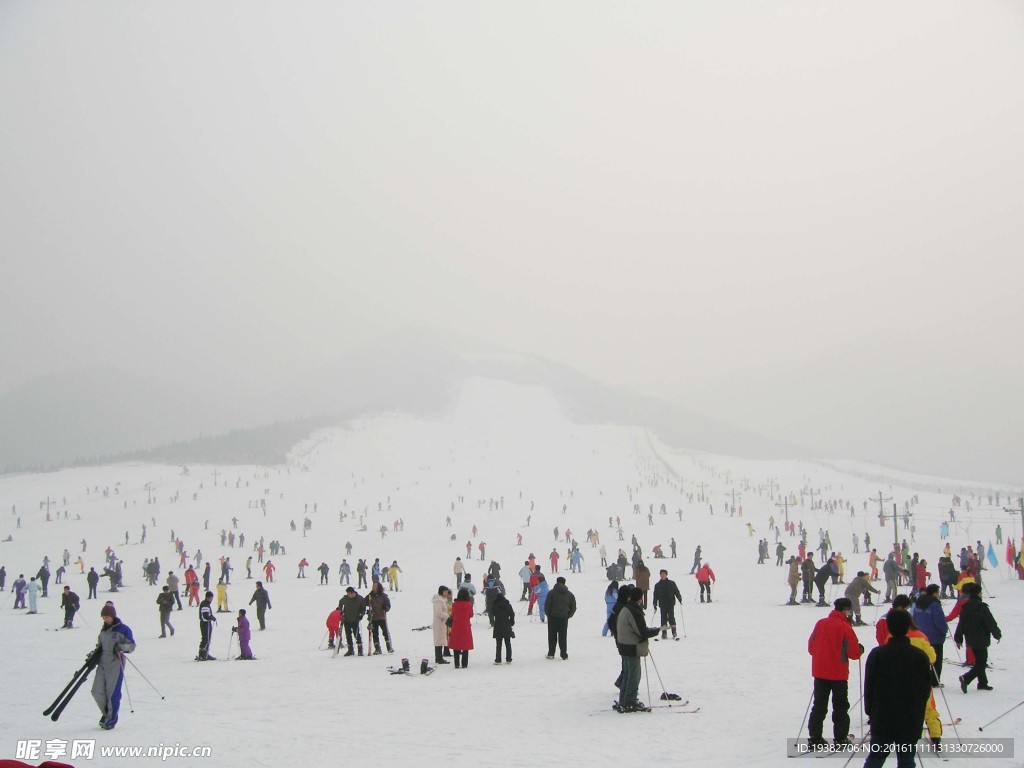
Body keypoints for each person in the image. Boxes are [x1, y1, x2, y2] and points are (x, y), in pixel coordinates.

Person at [862, 610, 932, 767]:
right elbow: (925, 689)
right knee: (906, 760)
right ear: (908, 627)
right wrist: (918, 711)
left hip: (883, 716)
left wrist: (871, 711)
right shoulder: (920, 656)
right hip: (910, 717)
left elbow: (869, 687)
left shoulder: (877, 654)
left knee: (876, 759)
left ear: (888, 627)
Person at [806, 597, 863, 749]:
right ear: (846, 610)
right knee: (840, 706)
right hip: (838, 673)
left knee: (819, 705)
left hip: (820, 672)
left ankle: (815, 737)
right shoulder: (845, 627)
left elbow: (811, 647)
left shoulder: (821, 623)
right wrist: (860, 649)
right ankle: (840, 738)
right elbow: (854, 653)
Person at [616, 586, 661, 712]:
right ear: (640, 598)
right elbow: (642, 631)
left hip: (623, 646)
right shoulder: (634, 611)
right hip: (631, 647)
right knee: (634, 675)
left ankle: (624, 699)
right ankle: (630, 701)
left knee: (627, 674)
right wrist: (657, 630)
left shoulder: (625, 607)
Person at [90, 604, 136, 729]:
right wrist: (93, 655)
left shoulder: (123, 629)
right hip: (102, 663)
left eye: (107, 617)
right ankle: (106, 714)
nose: (105, 620)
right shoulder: (104, 630)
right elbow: (99, 645)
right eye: (103, 618)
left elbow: (132, 645)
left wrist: (120, 647)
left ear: (113, 616)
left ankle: (111, 718)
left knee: (112, 693)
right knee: (96, 691)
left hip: (116, 664)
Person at [954, 582, 1001, 692]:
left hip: (970, 638)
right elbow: (990, 622)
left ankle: (982, 683)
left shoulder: (965, 607)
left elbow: (961, 623)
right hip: (982, 638)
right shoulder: (982, 607)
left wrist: (959, 638)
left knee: (979, 660)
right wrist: (997, 634)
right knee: (981, 663)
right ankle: (966, 678)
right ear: (978, 593)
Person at [912, 584, 948, 684]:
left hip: (922, 635)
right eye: (938, 592)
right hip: (935, 636)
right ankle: (935, 680)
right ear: (934, 593)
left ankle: (923, 678)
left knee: (923, 659)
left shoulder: (918, 603)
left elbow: (914, 618)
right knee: (936, 659)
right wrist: (944, 630)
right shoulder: (935, 605)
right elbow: (939, 621)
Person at [543, 576, 576, 660]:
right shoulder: (570, 594)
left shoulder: (551, 593)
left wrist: (548, 615)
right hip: (564, 618)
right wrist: (568, 616)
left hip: (553, 617)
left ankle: (551, 653)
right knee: (563, 636)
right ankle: (564, 654)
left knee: (552, 636)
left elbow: (547, 606)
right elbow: (573, 607)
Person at [651, 569, 683, 640]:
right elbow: (655, 595)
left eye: (664, 574)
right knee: (663, 618)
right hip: (662, 604)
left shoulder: (672, 583)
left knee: (671, 617)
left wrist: (679, 598)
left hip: (670, 603)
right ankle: (664, 633)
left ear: (666, 575)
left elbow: (676, 591)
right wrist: (655, 603)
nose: (662, 575)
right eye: (661, 574)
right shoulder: (657, 585)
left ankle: (674, 632)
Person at [449, 587, 474, 668]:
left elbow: (452, 614)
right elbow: (471, 614)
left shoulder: (454, 605)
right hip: (465, 626)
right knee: (465, 646)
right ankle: (464, 664)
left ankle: (456, 663)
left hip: (456, 626)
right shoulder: (469, 604)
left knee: (456, 645)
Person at [367, 581, 393, 654]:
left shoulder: (383, 596)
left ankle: (389, 646)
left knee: (385, 632)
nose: (373, 587)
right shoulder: (370, 595)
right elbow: (365, 603)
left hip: (381, 616)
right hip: (373, 617)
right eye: (373, 586)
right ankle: (377, 648)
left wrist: (386, 608)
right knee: (375, 633)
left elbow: (388, 605)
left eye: (375, 586)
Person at [339, 587, 366, 656]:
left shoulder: (360, 599)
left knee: (357, 635)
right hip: (347, 619)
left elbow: (363, 608)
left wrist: (361, 614)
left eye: (349, 594)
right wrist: (340, 611)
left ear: (352, 593)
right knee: (348, 635)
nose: (348, 595)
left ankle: (360, 650)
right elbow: (340, 603)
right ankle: (350, 650)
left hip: (355, 619)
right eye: (347, 594)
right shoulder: (345, 598)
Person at [491, 590, 515, 664]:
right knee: (508, 643)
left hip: (498, 624)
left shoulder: (495, 605)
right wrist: (511, 622)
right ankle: (509, 658)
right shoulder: (507, 604)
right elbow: (512, 614)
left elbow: (491, 613)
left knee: (498, 644)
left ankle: (498, 659)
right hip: (506, 624)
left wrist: (493, 622)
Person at [432, 586, 452, 665]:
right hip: (440, 622)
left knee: (440, 639)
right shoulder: (438, 601)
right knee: (439, 640)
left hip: (442, 622)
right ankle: (439, 658)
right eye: (446, 592)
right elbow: (438, 612)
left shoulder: (442, 600)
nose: (447, 593)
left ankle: (439, 657)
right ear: (442, 592)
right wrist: (447, 616)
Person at [197, 591, 217, 661]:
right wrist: (211, 618)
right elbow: (205, 616)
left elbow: (208, 614)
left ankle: (205, 653)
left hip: (205, 623)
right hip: (206, 624)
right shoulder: (205, 604)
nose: (212, 599)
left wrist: (212, 617)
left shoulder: (206, 603)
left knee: (206, 638)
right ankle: (203, 654)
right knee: (206, 639)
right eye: (211, 598)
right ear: (208, 597)